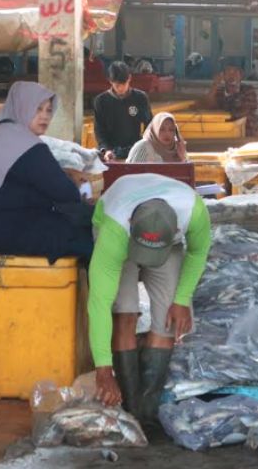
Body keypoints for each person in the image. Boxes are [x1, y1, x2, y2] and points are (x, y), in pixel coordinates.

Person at [88, 174, 211, 423]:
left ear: (178, 230)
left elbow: (198, 253)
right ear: (131, 221)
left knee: (168, 320)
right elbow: (99, 303)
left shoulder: (194, 212)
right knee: (124, 314)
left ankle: (148, 412)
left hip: (166, 244)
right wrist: (103, 369)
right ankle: (131, 409)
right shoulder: (115, 229)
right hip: (116, 230)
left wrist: (181, 300)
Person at [0, 81, 93, 264]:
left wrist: (65, 174)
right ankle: (94, 293)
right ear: (21, 107)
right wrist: (76, 184)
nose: (44, 116)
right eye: (37, 109)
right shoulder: (25, 144)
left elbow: (32, 176)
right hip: (9, 229)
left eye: (48, 110)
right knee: (91, 237)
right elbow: (65, 192)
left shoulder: (1, 133)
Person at [93, 61, 152, 162]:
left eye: (124, 84)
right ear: (110, 81)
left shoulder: (140, 98)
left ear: (129, 78)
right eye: (117, 85)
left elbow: (149, 125)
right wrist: (106, 150)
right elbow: (99, 132)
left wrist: (142, 145)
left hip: (135, 149)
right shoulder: (101, 101)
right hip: (111, 151)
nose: (121, 88)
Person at [203, 59, 258, 136]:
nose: (232, 75)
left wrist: (221, 117)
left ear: (241, 76)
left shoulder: (248, 91)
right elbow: (207, 106)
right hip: (223, 135)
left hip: (247, 134)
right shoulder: (219, 92)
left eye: (236, 72)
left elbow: (243, 112)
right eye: (228, 72)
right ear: (223, 76)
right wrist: (215, 85)